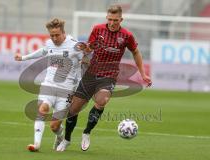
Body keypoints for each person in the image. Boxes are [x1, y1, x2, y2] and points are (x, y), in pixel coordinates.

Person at [57, 5, 152, 152]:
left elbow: (136, 52)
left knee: (102, 101)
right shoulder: (97, 29)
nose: (112, 23)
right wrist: (86, 50)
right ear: (106, 18)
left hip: (109, 75)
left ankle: (87, 132)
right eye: (110, 19)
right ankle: (67, 139)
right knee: (73, 110)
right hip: (91, 74)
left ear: (121, 19)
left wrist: (143, 73)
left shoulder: (127, 36)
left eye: (116, 20)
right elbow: (90, 48)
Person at [15, 18, 84, 152]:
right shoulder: (49, 43)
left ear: (63, 32)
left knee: (54, 126)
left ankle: (60, 136)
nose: (54, 38)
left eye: (57, 35)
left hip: (67, 90)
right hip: (48, 85)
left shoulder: (75, 46)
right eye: (51, 35)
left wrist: (82, 77)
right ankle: (36, 144)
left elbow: (86, 61)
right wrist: (23, 57)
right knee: (43, 109)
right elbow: (42, 51)